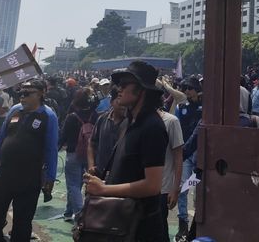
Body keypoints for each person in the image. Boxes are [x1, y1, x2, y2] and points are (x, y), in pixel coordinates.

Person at [84, 61, 168, 242]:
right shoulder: (131, 123)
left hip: (142, 228)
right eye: (118, 84)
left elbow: (152, 185)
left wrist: (104, 188)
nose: (118, 89)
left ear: (141, 90)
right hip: (121, 223)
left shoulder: (152, 127)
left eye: (123, 85)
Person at [0, 79, 59, 242]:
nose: (22, 97)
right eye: (20, 93)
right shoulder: (15, 110)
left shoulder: (48, 116)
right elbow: (0, 138)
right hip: (4, 175)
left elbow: (51, 149)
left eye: (27, 94)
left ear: (41, 94)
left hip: (29, 179)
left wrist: (50, 177)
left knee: (22, 225)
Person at [59, 87, 97, 221]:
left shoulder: (71, 117)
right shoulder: (95, 115)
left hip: (73, 153)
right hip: (90, 154)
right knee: (79, 183)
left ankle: (81, 216)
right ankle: (68, 212)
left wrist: (55, 149)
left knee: (73, 185)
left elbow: (62, 137)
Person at [174, 77, 202, 240]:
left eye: (190, 88)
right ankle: (182, 223)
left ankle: (196, 223)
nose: (186, 91)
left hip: (199, 152)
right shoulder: (181, 106)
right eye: (184, 88)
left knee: (197, 188)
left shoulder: (204, 106)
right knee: (182, 187)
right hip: (185, 152)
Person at [87, 84, 126, 178]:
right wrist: (91, 166)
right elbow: (91, 144)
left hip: (121, 178)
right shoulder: (102, 119)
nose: (123, 106)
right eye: (119, 101)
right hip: (100, 175)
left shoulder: (131, 122)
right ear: (112, 101)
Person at [158, 106, 184, 242]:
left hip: (163, 187)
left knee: (160, 230)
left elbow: (178, 156)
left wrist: (175, 189)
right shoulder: (137, 120)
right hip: (142, 187)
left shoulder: (171, 121)